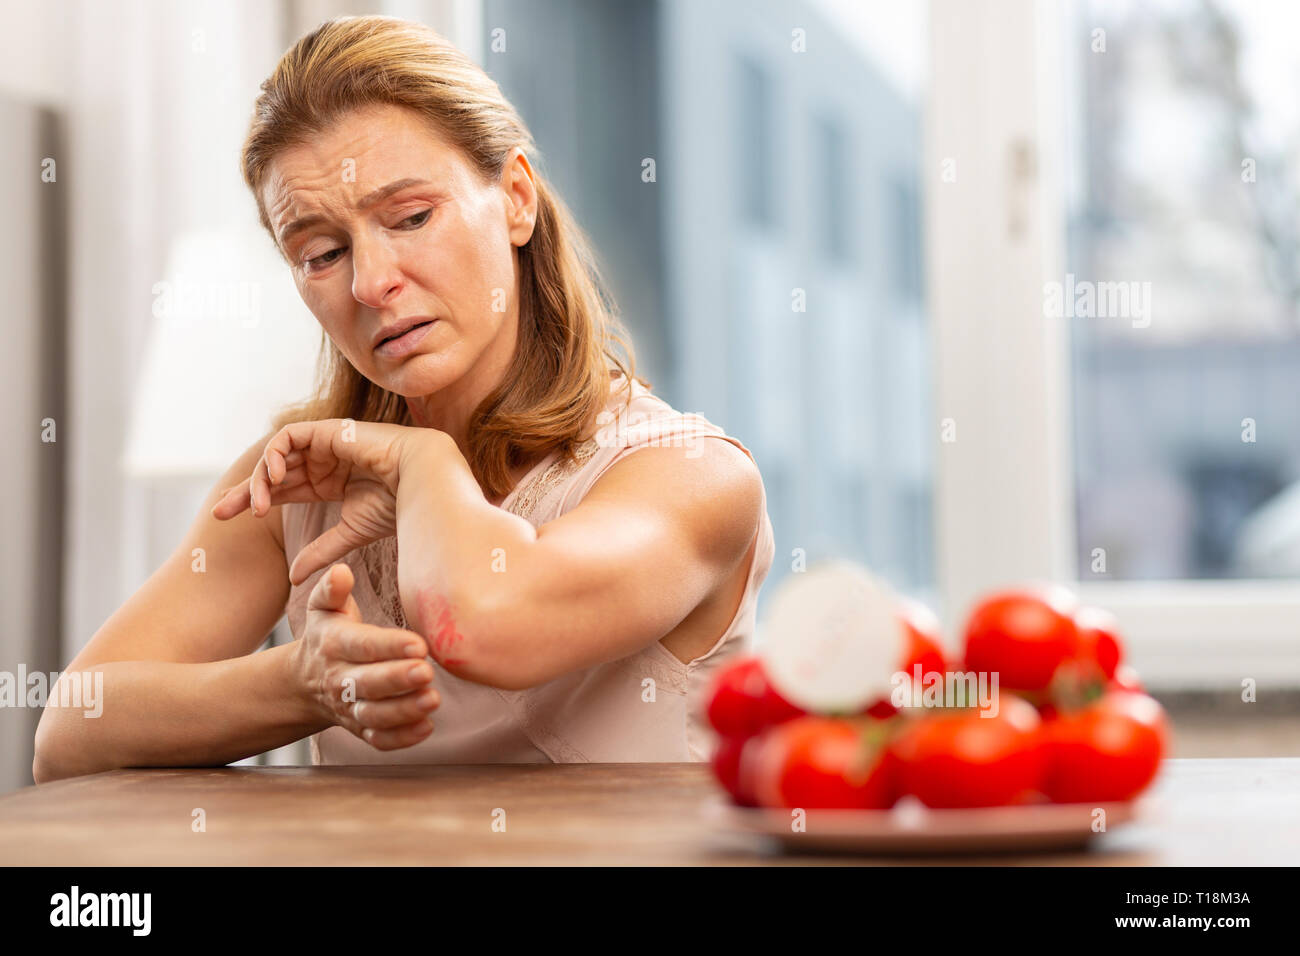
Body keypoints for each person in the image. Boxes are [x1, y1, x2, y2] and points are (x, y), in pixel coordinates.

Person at [33, 15, 773, 780]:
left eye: (412, 217)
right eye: (321, 254)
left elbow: (485, 624)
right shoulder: (298, 487)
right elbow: (71, 731)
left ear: (516, 198)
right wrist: (300, 680)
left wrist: (423, 461)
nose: (369, 282)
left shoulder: (691, 473)